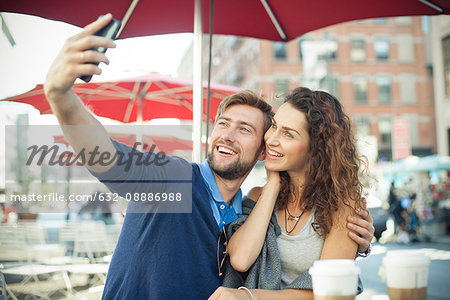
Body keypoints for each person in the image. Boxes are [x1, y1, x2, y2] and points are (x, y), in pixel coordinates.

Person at [44, 14, 374, 299]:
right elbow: (106, 157)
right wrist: (60, 96)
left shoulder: (245, 212)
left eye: (245, 129)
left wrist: (356, 240)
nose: (227, 135)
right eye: (223, 124)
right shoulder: (174, 179)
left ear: (263, 150)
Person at [210, 87, 372, 299]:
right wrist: (272, 185)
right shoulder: (259, 196)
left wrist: (248, 296)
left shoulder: (342, 205)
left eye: (288, 134)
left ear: (316, 149)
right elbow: (240, 259)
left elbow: (331, 291)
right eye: (274, 126)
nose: (271, 139)